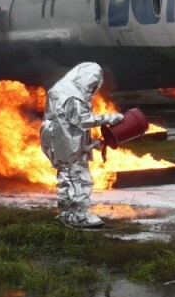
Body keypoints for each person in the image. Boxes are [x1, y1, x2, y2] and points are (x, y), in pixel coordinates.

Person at [40, 63, 123, 228]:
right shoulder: (74, 96)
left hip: (60, 141)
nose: (93, 90)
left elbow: (67, 121)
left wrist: (90, 143)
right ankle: (78, 217)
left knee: (67, 178)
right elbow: (82, 120)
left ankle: (67, 213)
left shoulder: (61, 89)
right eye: (93, 85)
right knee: (80, 180)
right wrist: (109, 118)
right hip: (69, 145)